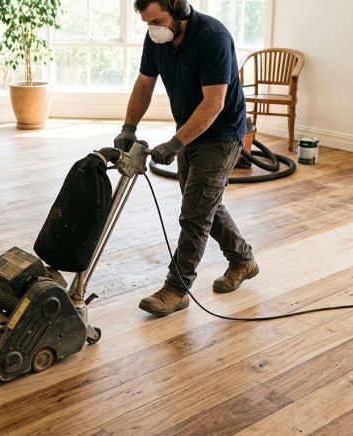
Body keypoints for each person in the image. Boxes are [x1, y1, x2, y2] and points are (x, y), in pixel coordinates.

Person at [114, 0, 259, 317]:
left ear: (179, 9)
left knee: (195, 212)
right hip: (191, 129)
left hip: (221, 134)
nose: (153, 27)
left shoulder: (213, 38)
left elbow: (214, 104)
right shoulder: (156, 37)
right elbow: (144, 84)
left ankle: (176, 290)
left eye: (158, 19)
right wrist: (129, 126)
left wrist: (175, 143)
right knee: (205, 203)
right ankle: (243, 260)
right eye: (146, 22)